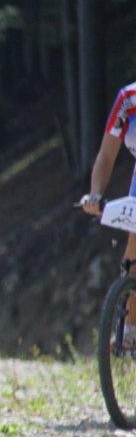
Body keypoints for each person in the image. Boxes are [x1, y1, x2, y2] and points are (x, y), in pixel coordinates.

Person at [81, 82, 136, 347]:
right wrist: (95, 195)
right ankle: (130, 328)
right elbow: (106, 155)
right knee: (134, 246)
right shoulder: (129, 99)